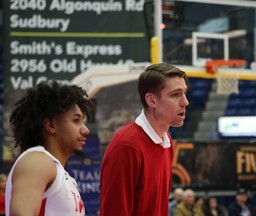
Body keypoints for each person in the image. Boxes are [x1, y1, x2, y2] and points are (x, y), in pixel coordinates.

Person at [99, 63, 189, 216]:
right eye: (175, 95)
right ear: (152, 100)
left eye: (185, 93)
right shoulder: (126, 145)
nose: (185, 102)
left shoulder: (166, 140)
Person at [5, 81, 94, 216]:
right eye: (76, 120)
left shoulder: (59, 172)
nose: (85, 130)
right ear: (51, 125)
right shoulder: (37, 160)